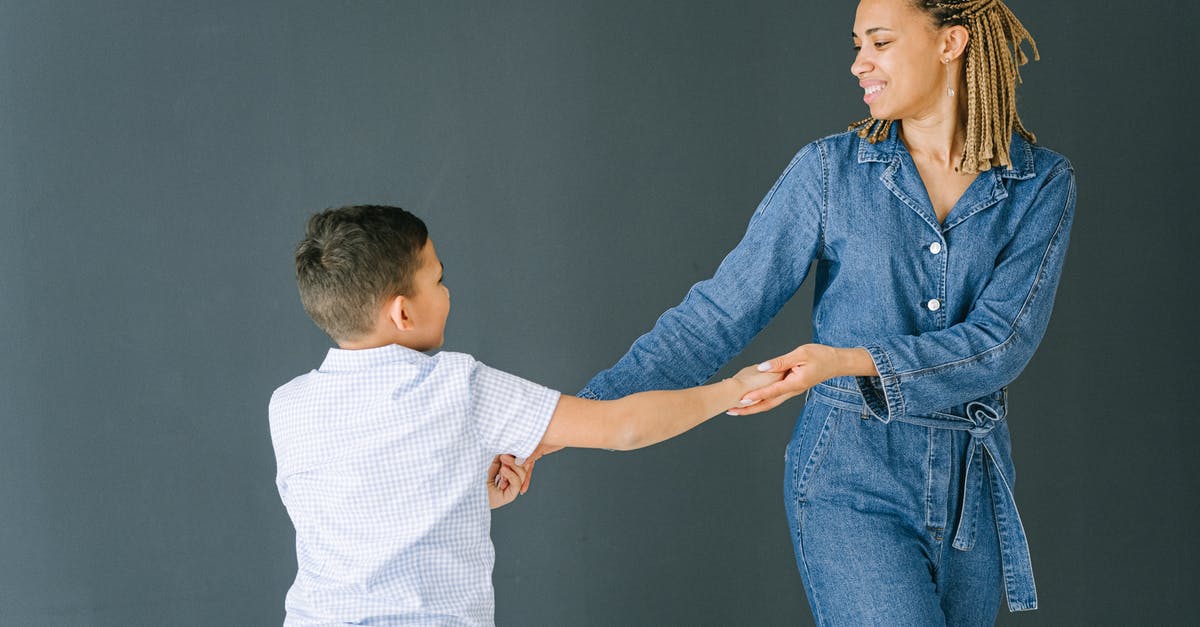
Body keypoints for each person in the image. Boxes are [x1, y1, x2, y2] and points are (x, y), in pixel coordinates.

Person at [574, 0, 1075, 623]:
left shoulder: (1040, 183)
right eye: (857, 43)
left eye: (880, 42)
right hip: (849, 480)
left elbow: (1002, 343)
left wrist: (847, 360)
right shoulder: (830, 171)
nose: (858, 63)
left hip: (971, 495)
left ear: (952, 43)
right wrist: (566, 420)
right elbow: (716, 317)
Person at [268, 205, 779, 625]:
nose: (447, 293)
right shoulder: (455, 384)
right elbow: (621, 426)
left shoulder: (287, 406)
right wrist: (730, 390)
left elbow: (357, 512)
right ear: (403, 313)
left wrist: (465, 495)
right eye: (438, 280)